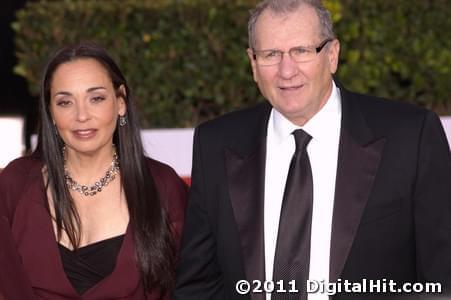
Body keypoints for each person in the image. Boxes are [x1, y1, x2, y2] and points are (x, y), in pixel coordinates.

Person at [173, 0, 451, 299]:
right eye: (271, 54)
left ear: (332, 55)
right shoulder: (215, 143)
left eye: (301, 51)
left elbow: (441, 280)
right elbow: (198, 285)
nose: (286, 70)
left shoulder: (410, 136)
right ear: (253, 63)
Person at [0, 42, 187, 299]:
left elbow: (192, 285)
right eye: (65, 102)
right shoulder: (15, 183)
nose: (82, 115)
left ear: (120, 101)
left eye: (96, 98)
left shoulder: (162, 186)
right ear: (51, 112)